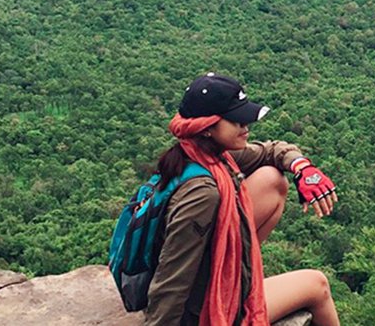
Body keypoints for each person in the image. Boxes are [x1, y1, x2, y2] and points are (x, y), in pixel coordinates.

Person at [145, 72, 341, 326]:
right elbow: (172, 280)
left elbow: (272, 150)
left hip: (207, 281)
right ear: (206, 128)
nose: (245, 127)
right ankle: (237, 291)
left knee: (273, 179)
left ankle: (238, 274)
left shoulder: (201, 156)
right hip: (207, 311)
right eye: (236, 121)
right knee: (318, 285)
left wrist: (302, 167)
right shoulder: (202, 194)